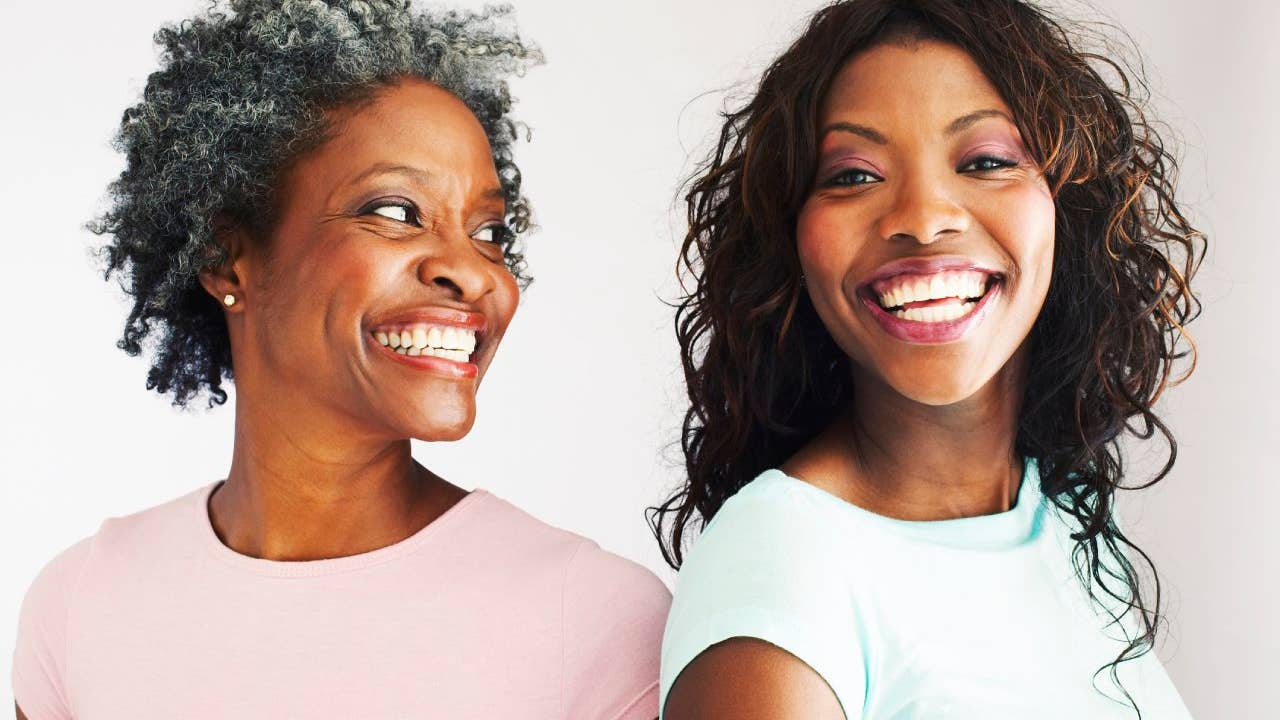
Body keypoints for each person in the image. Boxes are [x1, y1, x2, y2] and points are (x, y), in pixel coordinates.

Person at [11, 2, 669, 718]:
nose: (477, 274)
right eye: (394, 212)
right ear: (227, 260)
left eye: (489, 231)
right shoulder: (84, 605)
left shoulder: (596, 621)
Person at [652, 1, 1204, 718]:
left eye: (985, 161)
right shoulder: (781, 573)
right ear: (791, 238)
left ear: (1069, 205)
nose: (922, 216)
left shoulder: (1060, 512)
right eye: (853, 175)